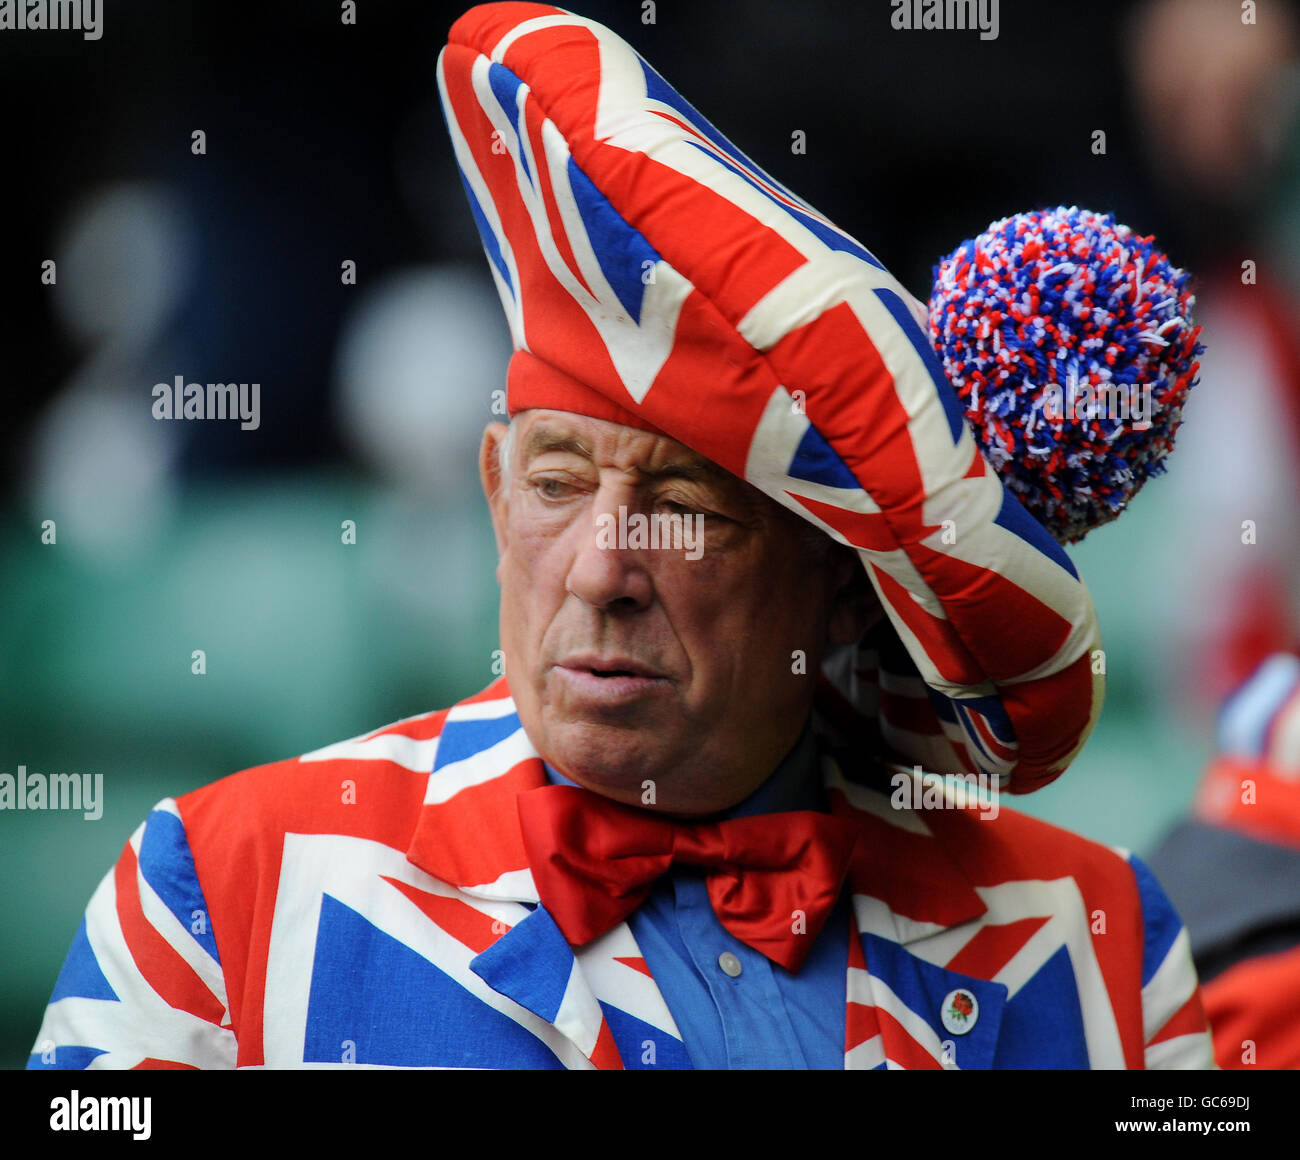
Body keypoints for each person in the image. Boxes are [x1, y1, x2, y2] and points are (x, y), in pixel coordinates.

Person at [26, 2, 1213, 1070]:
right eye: (555, 483)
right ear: (494, 492)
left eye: (684, 510)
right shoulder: (216, 898)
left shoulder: (1094, 947)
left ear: (843, 590)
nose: (599, 569)